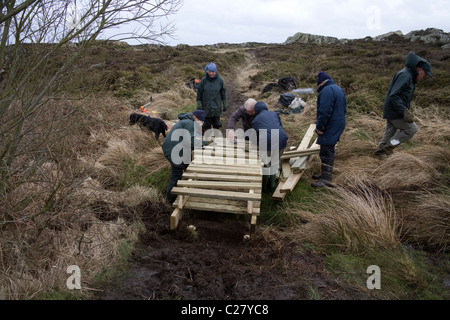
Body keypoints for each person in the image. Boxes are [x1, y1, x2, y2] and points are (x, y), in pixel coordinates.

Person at [374, 51, 432, 156]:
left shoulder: (408, 75)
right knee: (411, 129)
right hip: (395, 111)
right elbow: (394, 95)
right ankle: (388, 147)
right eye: (425, 74)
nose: (425, 77)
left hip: (392, 109)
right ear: (419, 70)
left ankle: (379, 153)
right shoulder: (406, 75)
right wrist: (404, 111)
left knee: (390, 133)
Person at [312, 71, 347, 188]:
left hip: (330, 124)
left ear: (321, 82)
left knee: (326, 151)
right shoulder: (338, 89)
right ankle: (324, 175)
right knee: (327, 148)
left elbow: (325, 111)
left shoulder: (326, 91)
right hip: (338, 122)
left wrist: (320, 126)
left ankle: (326, 180)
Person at [162, 110, 206, 203]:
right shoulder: (189, 123)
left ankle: (184, 188)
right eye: (200, 121)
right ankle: (170, 200)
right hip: (173, 149)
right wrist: (204, 144)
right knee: (176, 175)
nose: (201, 123)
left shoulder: (189, 122)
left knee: (187, 165)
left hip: (178, 148)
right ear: (195, 117)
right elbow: (192, 141)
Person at [252, 101, 288, 193]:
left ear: (256, 110)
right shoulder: (274, 114)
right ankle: (271, 186)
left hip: (267, 141)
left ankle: (264, 187)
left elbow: (255, 136)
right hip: (281, 138)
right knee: (274, 163)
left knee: (266, 164)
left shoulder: (256, 120)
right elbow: (280, 126)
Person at [196, 62, 228, 134]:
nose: (211, 73)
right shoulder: (203, 81)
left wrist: (225, 104)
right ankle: (207, 138)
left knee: (216, 123)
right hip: (206, 106)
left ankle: (217, 138)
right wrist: (199, 104)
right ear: (207, 71)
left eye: (213, 72)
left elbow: (223, 93)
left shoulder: (220, 81)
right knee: (206, 124)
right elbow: (199, 93)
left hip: (216, 106)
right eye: (210, 72)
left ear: (215, 72)